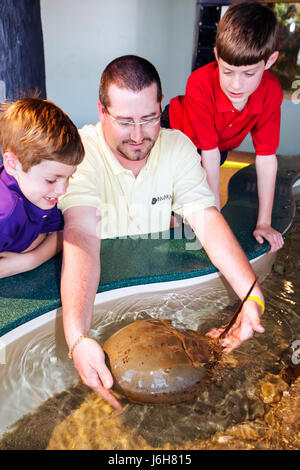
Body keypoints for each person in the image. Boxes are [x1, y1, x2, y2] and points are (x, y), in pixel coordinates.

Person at [59, 55, 266, 410]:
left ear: (161, 107)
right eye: (124, 121)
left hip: (156, 301)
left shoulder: (178, 147)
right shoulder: (82, 153)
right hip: (103, 283)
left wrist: (252, 297)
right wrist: (77, 337)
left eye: (149, 119)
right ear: (101, 111)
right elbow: (81, 236)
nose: (138, 136)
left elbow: (207, 220)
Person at [163, 1, 284, 254]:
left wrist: (264, 222)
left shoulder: (271, 92)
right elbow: (206, 152)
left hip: (219, 147)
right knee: (167, 199)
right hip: (176, 135)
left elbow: (266, 159)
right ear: (217, 55)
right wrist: (215, 219)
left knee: (192, 204)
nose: (236, 85)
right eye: (227, 72)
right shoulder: (200, 83)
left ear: (270, 60)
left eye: (249, 74)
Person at [0, 97, 84, 278]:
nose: (63, 190)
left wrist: (30, 260)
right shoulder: (6, 213)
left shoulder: (37, 194)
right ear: (12, 164)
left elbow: (65, 232)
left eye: (70, 177)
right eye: (51, 180)